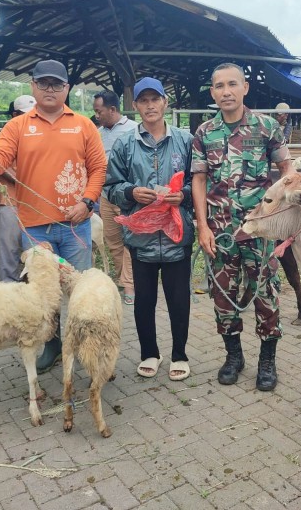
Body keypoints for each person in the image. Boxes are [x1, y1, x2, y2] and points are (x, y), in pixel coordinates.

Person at [0, 60, 107, 371]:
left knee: (81, 292)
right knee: (45, 294)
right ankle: (52, 344)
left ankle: (87, 347)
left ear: (67, 89)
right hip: (35, 228)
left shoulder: (83, 124)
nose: (50, 89)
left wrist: (87, 203)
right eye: (44, 83)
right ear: (33, 86)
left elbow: (98, 168)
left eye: (57, 84)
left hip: (76, 225)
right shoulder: (18, 126)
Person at [192, 63, 293, 392]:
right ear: (212, 92)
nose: (226, 91)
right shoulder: (205, 132)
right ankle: (233, 356)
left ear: (245, 88)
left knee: (266, 293)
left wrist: (281, 213)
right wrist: (202, 226)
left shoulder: (266, 127)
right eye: (219, 86)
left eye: (232, 84)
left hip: (260, 231)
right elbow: (199, 179)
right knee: (223, 294)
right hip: (221, 232)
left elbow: (287, 169)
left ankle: (268, 360)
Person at [104, 77, 194, 381]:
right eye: (144, 100)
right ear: (135, 106)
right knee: (144, 300)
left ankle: (179, 354)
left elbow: (201, 183)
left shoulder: (185, 140)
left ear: (165, 103)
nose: (150, 105)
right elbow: (111, 185)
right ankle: (149, 353)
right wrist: (131, 193)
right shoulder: (125, 144)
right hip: (140, 239)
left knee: (179, 298)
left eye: (155, 99)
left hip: (176, 235)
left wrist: (184, 195)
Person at [93, 89, 137, 304]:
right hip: (105, 195)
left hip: (126, 195)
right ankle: (124, 278)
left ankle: (129, 285)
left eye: (99, 111)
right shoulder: (98, 133)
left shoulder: (133, 130)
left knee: (129, 239)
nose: (96, 115)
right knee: (112, 240)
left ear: (112, 109)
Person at [0, 94, 36, 282]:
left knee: (36, 246)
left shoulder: (38, 133)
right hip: (11, 198)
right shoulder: (6, 135)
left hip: (36, 201)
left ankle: (33, 284)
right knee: (10, 245)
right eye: (24, 113)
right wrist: (21, 181)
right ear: (14, 114)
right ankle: (8, 285)